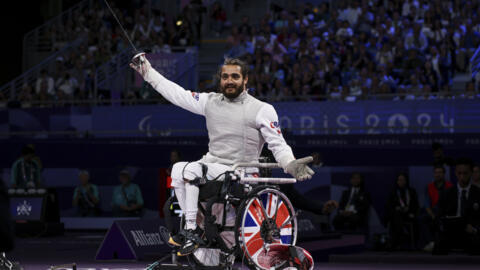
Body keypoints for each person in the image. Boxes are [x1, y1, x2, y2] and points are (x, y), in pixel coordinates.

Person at [130, 55, 332, 256]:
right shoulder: (210, 101)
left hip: (242, 171)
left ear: (245, 80)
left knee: (190, 170)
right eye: (225, 77)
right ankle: (193, 228)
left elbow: (278, 145)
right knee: (177, 169)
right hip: (213, 166)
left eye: (235, 76)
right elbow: (177, 93)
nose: (229, 81)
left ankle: (191, 230)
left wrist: (290, 163)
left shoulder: (262, 109)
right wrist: (147, 72)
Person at [434, 158, 480, 255]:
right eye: (459, 173)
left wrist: (475, 229)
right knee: (439, 244)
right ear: (455, 173)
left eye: (465, 173)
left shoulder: (478, 193)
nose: (462, 176)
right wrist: (445, 226)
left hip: (471, 234)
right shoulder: (446, 193)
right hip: (450, 233)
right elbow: (438, 216)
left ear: (471, 173)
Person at [421, 165, 453, 251]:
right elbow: (427, 204)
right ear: (434, 174)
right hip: (433, 212)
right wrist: (432, 215)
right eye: (436, 172)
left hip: (446, 211)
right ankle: (431, 242)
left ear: (444, 174)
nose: (438, 174)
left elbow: (452, 203)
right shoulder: (429, 186)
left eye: (440, 172)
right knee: (423, 218)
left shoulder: (450, 186)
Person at [385, 173, 420, 250]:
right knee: (395, 215)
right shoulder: (393, 192)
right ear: (397, 181)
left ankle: (399, 239)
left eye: (403, 180)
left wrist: (412, 212)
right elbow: (389, 206)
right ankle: (403, 233)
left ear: (406, 181)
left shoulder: (411, 191)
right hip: (397, 215)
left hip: (409, 214)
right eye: (399, 180)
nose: (401, 182)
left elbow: (416, 205)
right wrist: (397, 208)